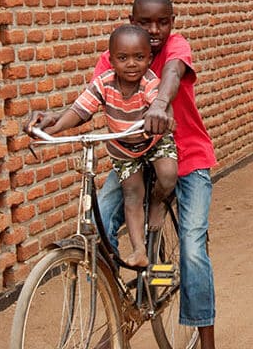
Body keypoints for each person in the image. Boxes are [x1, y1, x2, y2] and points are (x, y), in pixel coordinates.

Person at [33, 0, 218, 348]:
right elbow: (87, 101)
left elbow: (173, 75)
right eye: (145, 22)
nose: (154, 30)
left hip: (186, 155)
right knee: (98, 230)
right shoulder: (117, 53)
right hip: (132, 155)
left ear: (172, 23)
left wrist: (160, 105)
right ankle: (119, 320)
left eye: (162, 22)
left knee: (193, 250)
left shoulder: (175, 47)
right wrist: (51, 123)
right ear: (131, 21)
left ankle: (207, 340)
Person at [28, 24, 178, 268]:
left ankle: (160, 201)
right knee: (131, 195)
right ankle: (139, 250)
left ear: (149, 59)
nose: (131, 64)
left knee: (169, 175)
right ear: (111, 60)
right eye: (123, 58)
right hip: (124, 150)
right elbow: (80, 109)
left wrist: (162, 117)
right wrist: (52, 130)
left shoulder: (149, 83)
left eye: (139, 57)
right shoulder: (103, 83)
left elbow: (162, 106)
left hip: (153, 142)